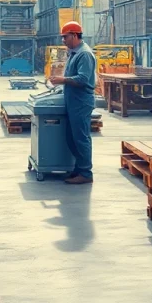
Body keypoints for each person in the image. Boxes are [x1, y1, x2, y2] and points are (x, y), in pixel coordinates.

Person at [48, 21, 96, 184]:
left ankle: (86, 173)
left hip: (81, 101)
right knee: (72, 137)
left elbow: (83, 79)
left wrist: (62, 80)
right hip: (72, 100)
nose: (63, 40)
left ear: (75, 35)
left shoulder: (84, 54)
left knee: (81, 137)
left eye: (65, 37)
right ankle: (78, 169)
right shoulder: (73, 52)